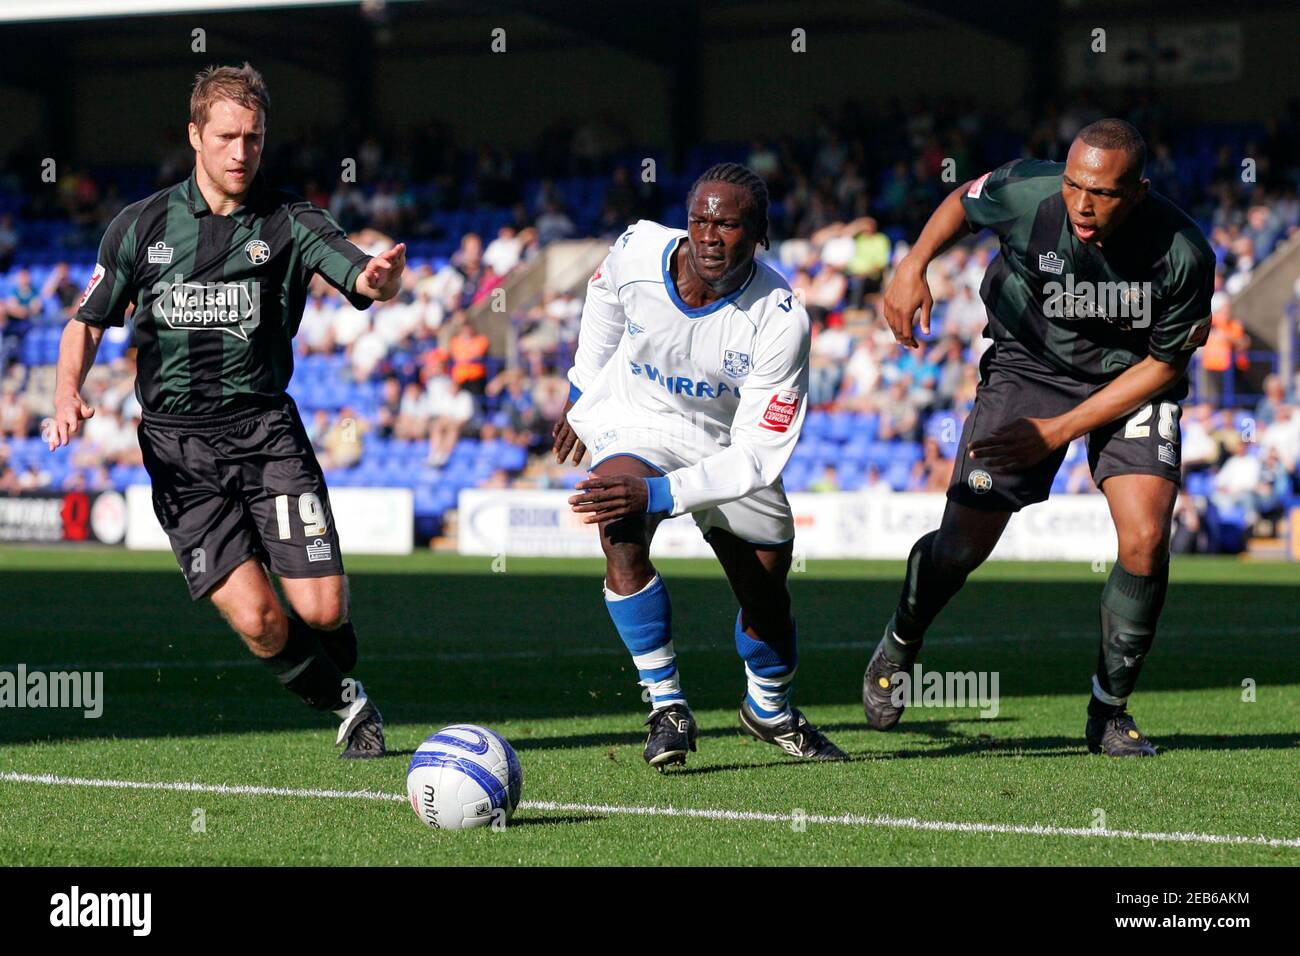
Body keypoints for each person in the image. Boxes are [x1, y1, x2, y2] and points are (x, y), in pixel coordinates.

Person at [47, 62, 406, 758]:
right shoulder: (140, 225)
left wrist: (378, 280)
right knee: (260, 621)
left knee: (323, 612)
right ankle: (344, 702)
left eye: (254, 137)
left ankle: (331, 656)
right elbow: (87, 321)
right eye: (228, 136)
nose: (241, 152)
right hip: (180, 452)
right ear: (195, 136)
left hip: (267, 433)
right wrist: (68, 392)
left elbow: (357, 270)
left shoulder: (291, 220)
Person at [867, 119, 1215, 757]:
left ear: (1137, 190)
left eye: (1103, 193)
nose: (1083, 205)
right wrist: (913, 262)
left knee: (1144, 538)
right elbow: (961, 203)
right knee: (960, 548)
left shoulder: (1184, 253)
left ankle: (1108, 711)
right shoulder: (1029, 190)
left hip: (1131, 381)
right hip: (1027, 366)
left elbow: (1165, 366)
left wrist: (1056, 432)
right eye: (1076, 186)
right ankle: (902, 639)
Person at [553, 163, 846, 769]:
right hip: (641, 419)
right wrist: (584, 387)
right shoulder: (637, 251)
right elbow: (603, 293)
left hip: (729, 450)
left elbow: (760, 455)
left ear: (759, 233)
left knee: (766, 604)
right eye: (700, 221)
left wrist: (660, 494)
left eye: (729, 224)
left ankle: (769, 709)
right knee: (618, 515)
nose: (710, 236)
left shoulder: (780, 318)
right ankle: (667, 705)